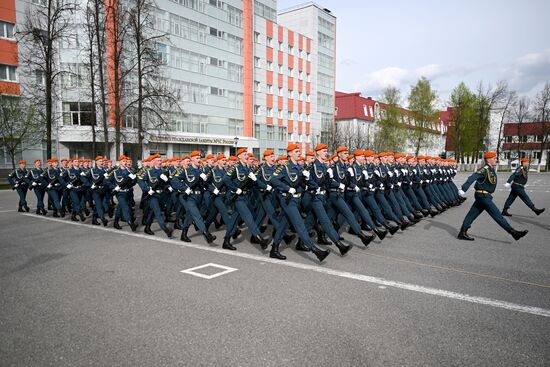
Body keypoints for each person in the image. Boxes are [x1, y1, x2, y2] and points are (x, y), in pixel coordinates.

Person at [457, 151, 528, 241]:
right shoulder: (484, 169)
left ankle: (462, 233)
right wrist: (463, 188)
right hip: (483, 196)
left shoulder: (491, 169)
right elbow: (472, 177)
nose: (496, 160)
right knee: (497, 215)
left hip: (484, 196)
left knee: (472, 214)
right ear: (488, 160)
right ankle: (513, 233)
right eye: (494, 158)